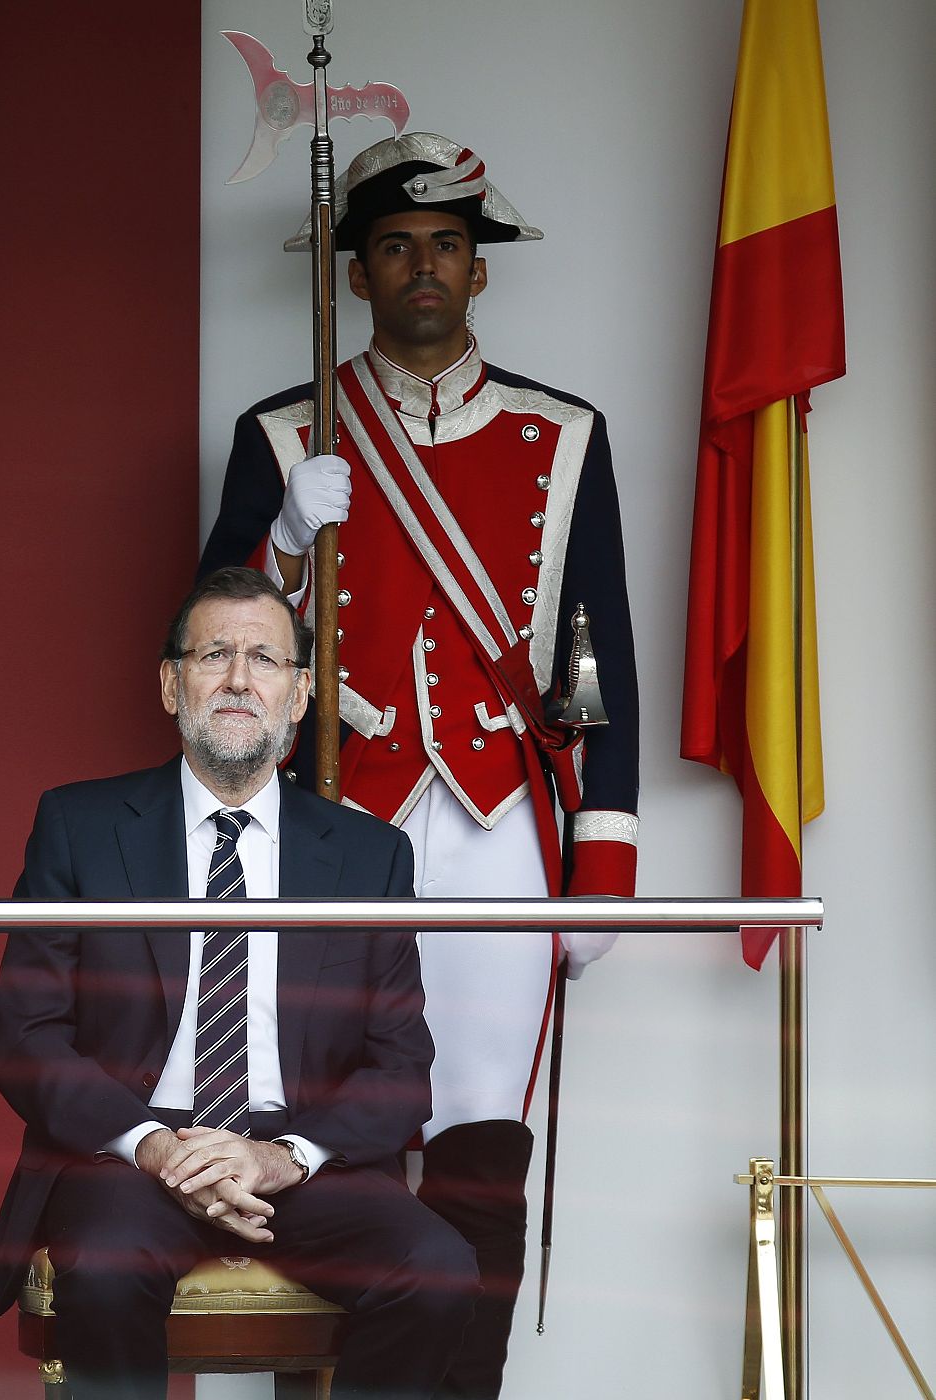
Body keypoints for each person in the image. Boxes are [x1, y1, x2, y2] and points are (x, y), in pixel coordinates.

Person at [200, 132, 640, 1400]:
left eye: (445, 244)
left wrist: (601, 855)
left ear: (477, 268)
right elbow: (209, 644)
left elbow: (596, 646)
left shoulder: (561, 434)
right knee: (321, 1131)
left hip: (503, 820)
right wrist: (283, 542)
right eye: (394, 247)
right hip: (335, 818)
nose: (423, 267)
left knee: (480, 1140)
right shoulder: (285, 434)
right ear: (357, 273)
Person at [0, 566, 479, 1400]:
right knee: (104, 1267)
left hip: (298, 1158)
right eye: (214, 654)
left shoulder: (369, 856)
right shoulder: (80, 825)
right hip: (131, 1155)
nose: (240, 679)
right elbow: (29, 1039)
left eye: (265, 659)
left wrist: (280, 1158)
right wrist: (156, 1147)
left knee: (437, 1269)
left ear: (300, 694)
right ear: (171, 685)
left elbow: (400, 1071)